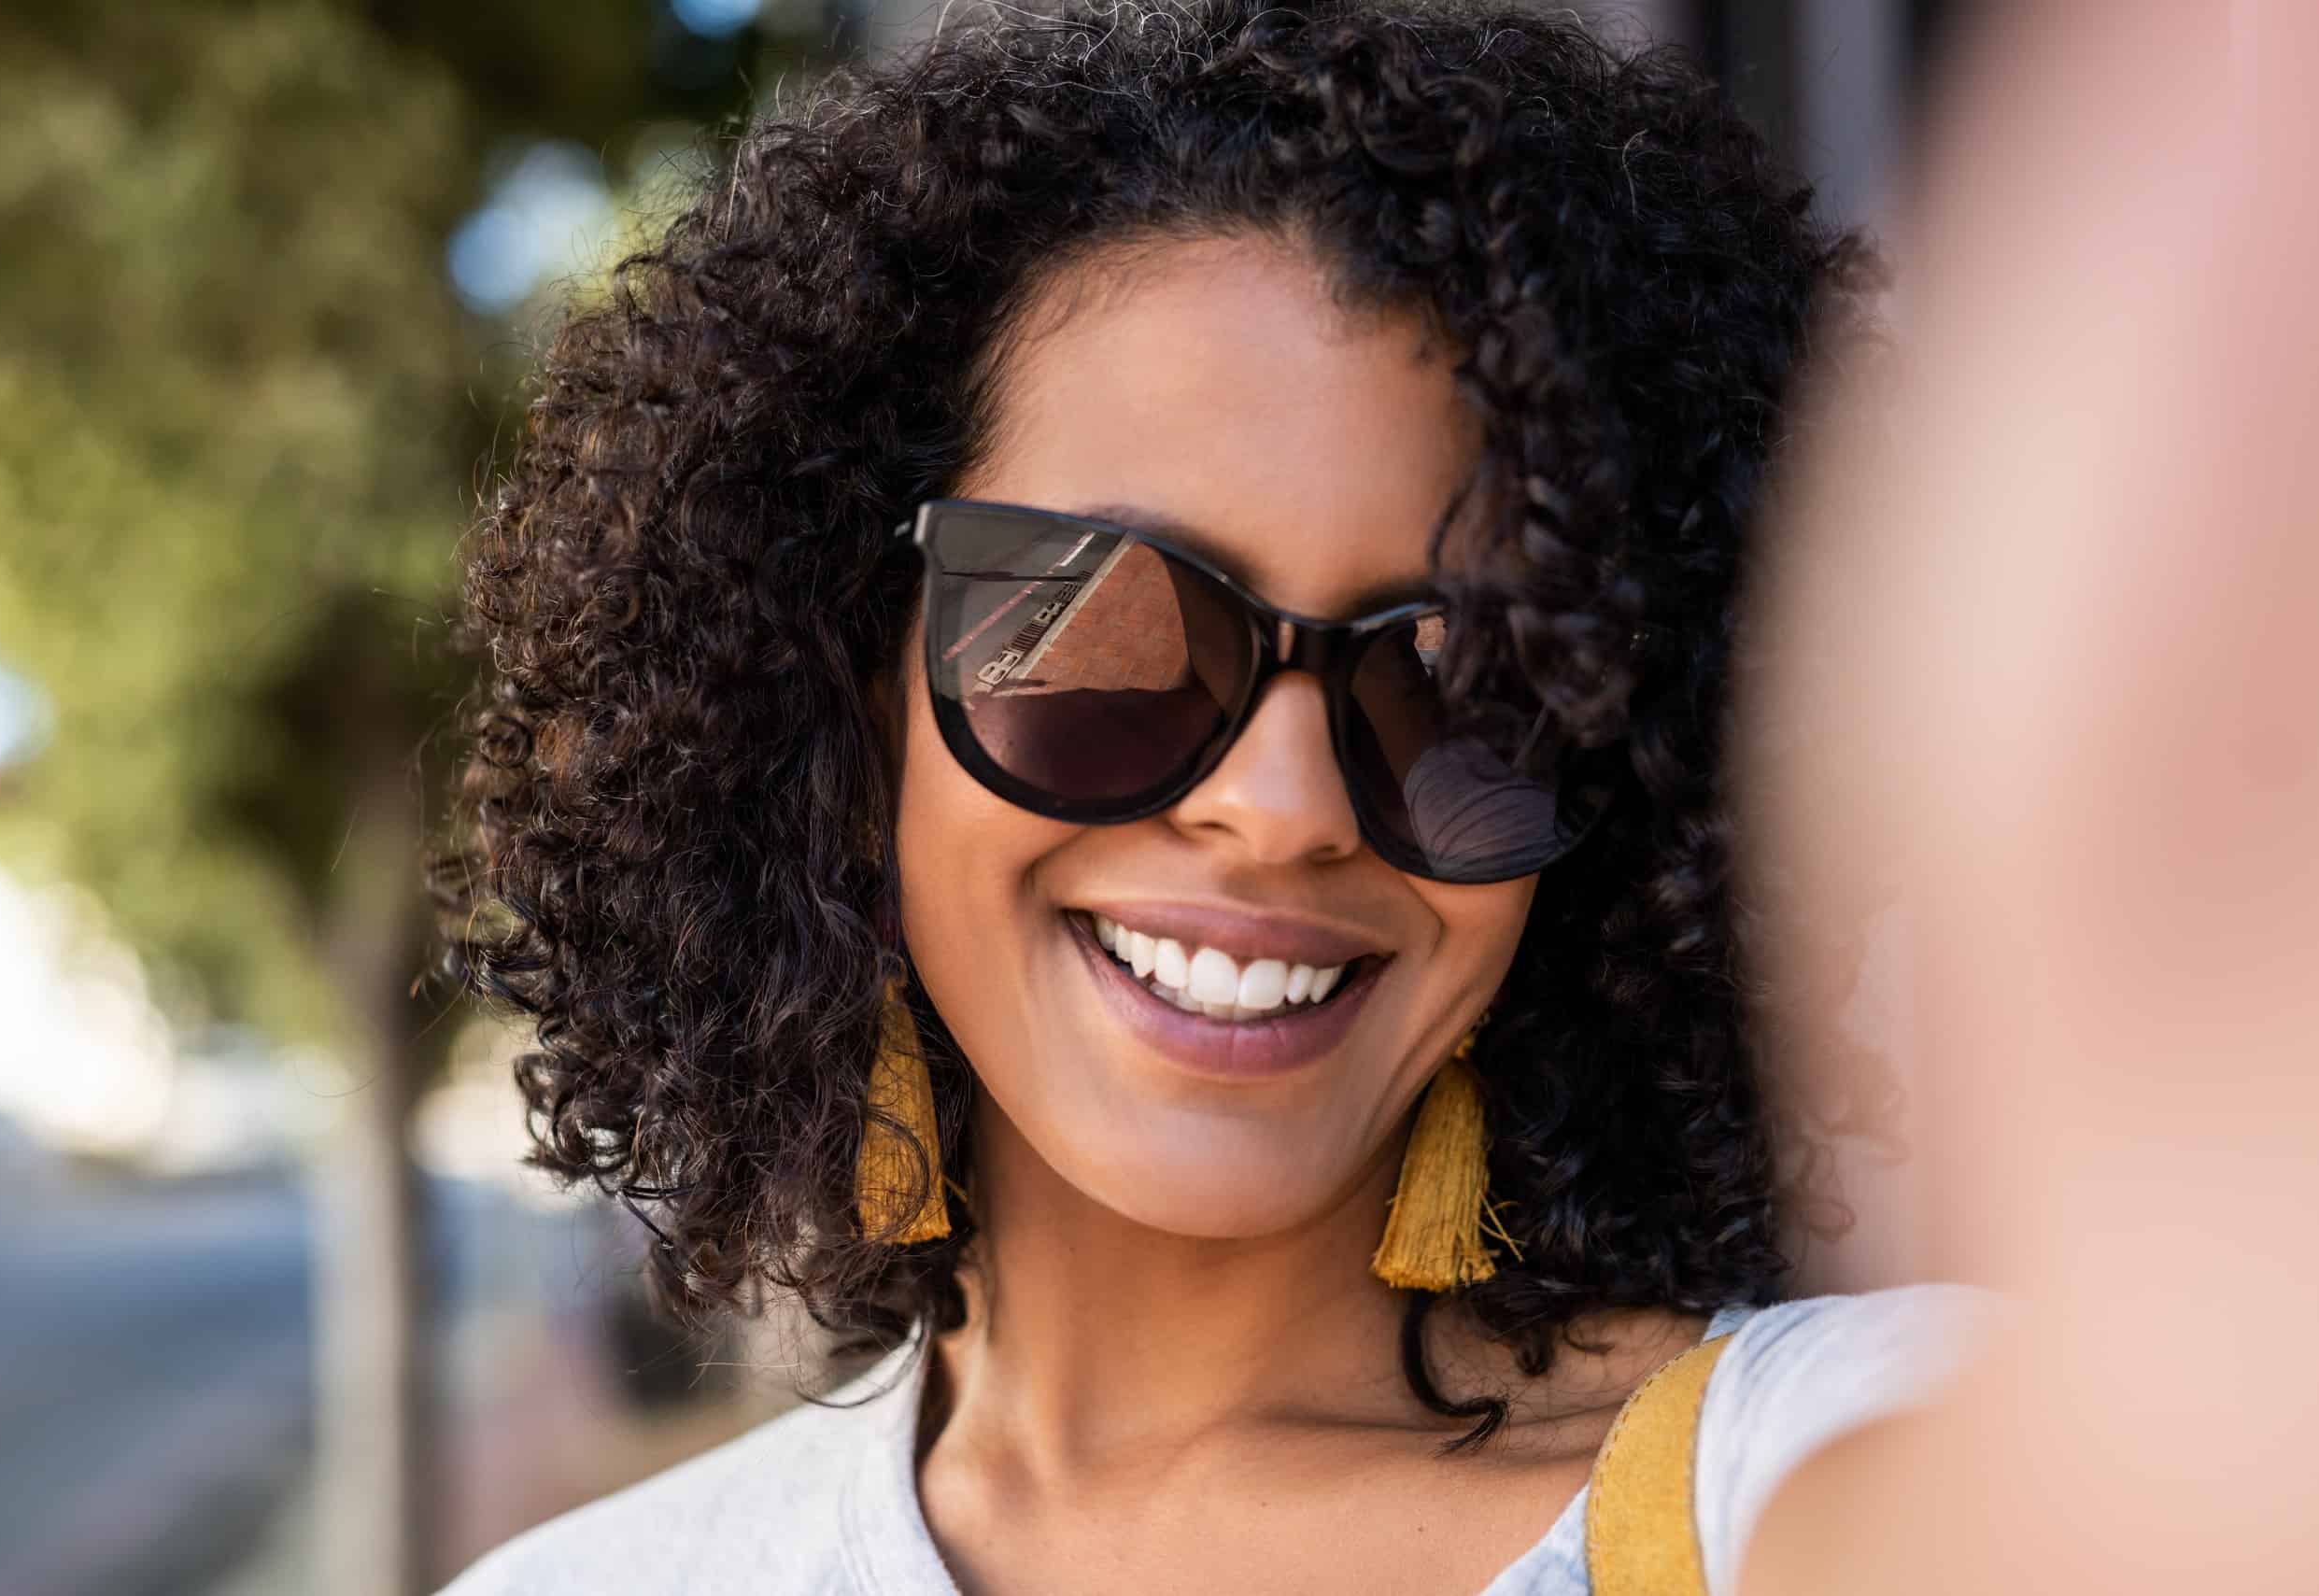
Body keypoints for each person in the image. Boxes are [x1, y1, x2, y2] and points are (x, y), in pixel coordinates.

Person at [426, 2, 1992, 1591]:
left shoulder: (1840, 1472)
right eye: (1106, 633)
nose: (1284, 802)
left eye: (1465, 683)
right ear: (842, 685)